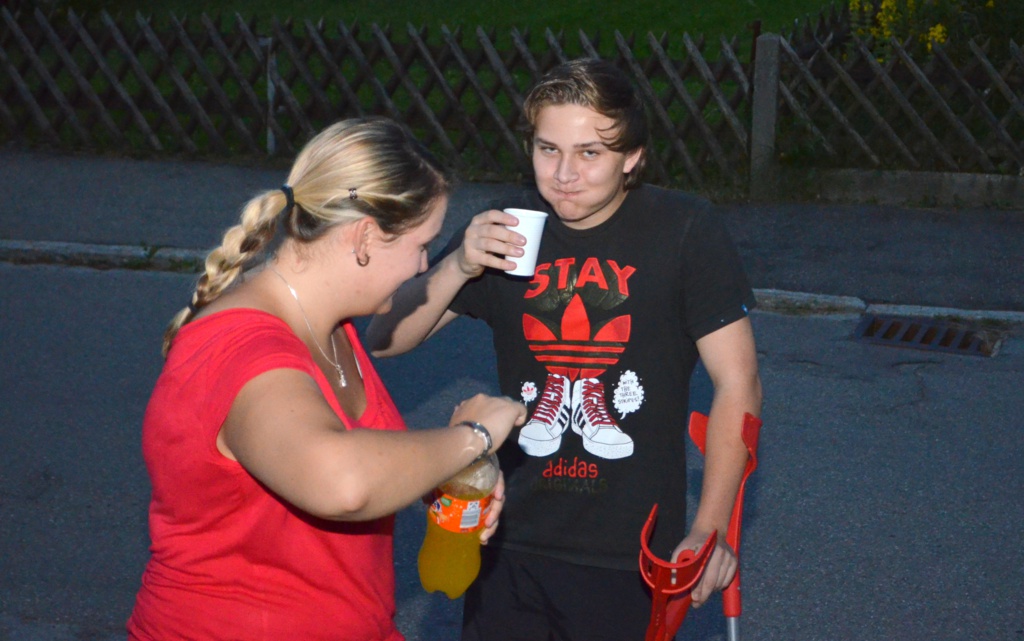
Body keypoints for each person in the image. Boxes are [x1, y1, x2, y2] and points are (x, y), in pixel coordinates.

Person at [367, 59, 763, 640]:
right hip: (506, 536)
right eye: (548, 149)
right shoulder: (511, 229)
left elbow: (738, 382)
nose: (564, 175)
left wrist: (711, 528)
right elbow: (384, 340)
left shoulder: (683, 231)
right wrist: (458, 266)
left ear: (632, 157)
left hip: (629, 553)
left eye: (589, 153)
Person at [127, 117, 527, 641]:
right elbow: (343, 482)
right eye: (421, 245)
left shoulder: (328, 327)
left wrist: (433, 475)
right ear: (364, 237)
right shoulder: (243, 347)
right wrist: (472, 438)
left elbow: (333, 471)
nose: (422, 266)